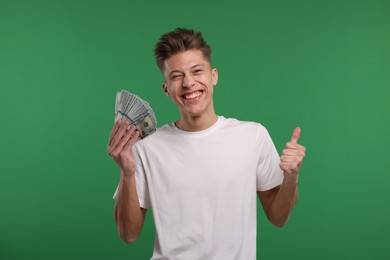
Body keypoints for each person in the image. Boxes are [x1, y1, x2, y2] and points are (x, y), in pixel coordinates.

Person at [107, 28, 306, 260]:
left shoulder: (253, 136)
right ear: (166, 89)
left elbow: (278, 217)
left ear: (214, 76)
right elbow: (128, 234)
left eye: (196, 71)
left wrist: (291, 177)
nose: (189, 83)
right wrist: (127, 173)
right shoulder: (147, 148)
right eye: (176, 76)